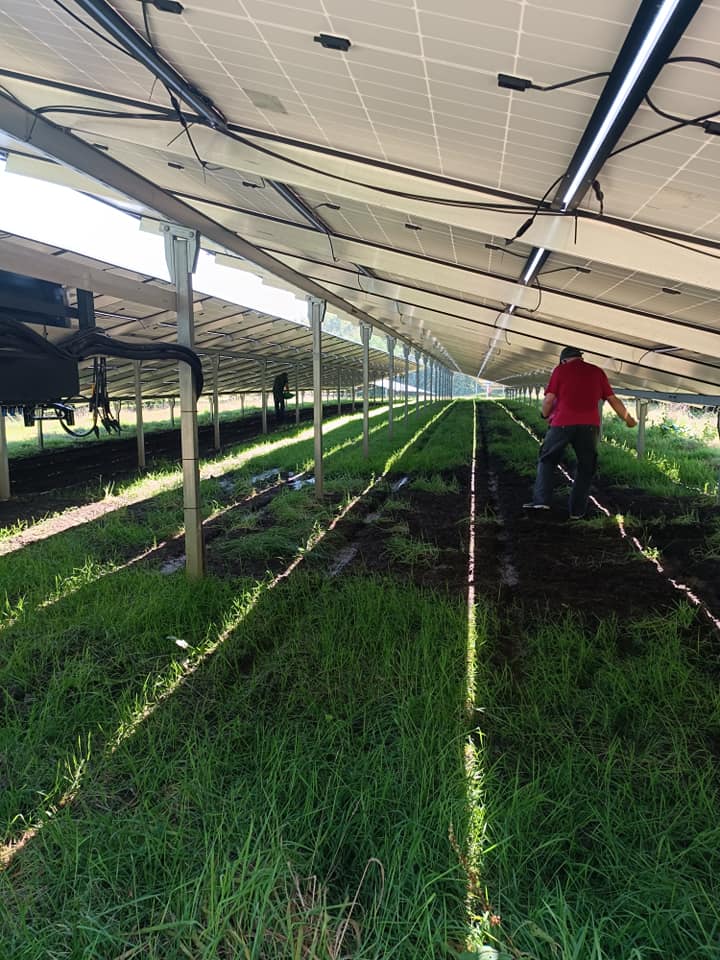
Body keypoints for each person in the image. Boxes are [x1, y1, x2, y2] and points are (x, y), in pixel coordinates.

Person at [523, 346, 637, 519]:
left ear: (563, 360)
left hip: (562, 424)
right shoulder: (597, 372)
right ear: (580, 358)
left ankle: (541, 501)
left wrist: (544, 414)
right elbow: (613, 400)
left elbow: (549, 399)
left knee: (548, 459)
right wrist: (628, 419)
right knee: (586, 467)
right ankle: (577, 511)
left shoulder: (561, 370)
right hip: (589, 426)